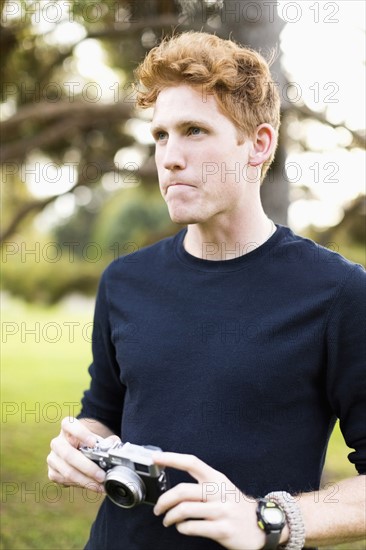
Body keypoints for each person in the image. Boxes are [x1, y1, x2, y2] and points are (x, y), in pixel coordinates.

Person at [47, 32, 366, 550]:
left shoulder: (338, 293)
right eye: (160, 136)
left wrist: (268, 519)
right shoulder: (124, 282)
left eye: (194, 130)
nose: (170, 157)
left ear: (258, 144)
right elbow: (103, 412)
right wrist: (80, 444)